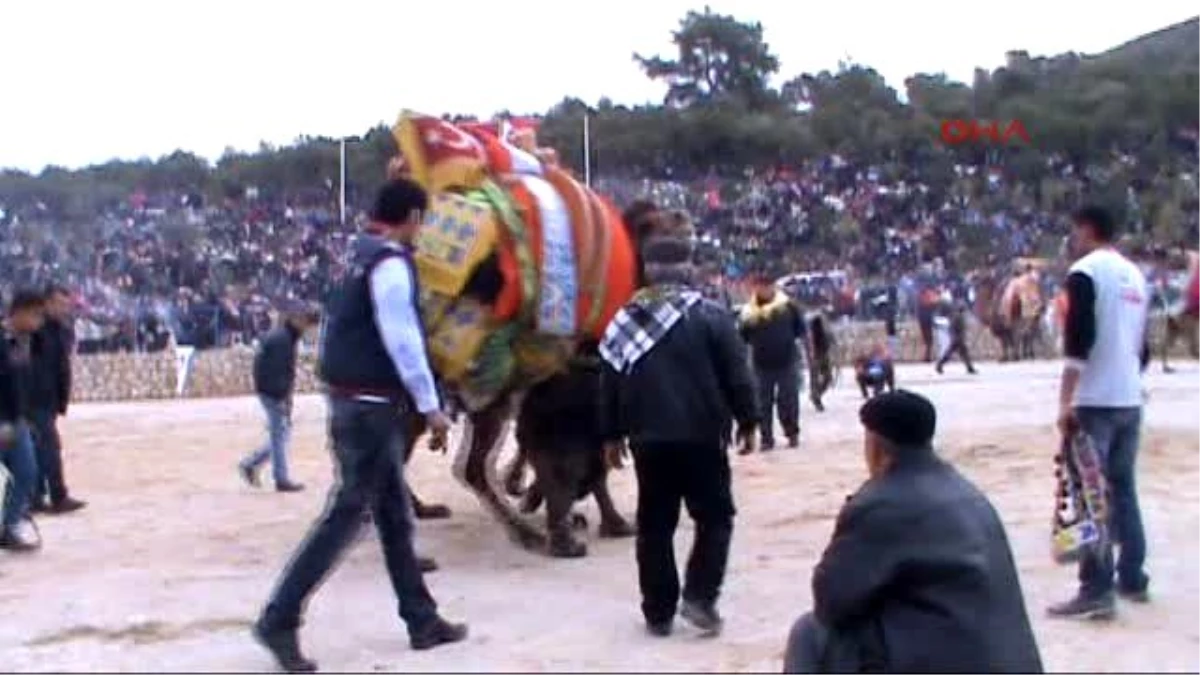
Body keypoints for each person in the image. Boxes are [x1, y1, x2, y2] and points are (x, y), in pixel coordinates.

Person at [252, 178, 467, 672]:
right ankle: (278, 619)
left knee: (393, 516)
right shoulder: (390, 263)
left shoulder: (356, 255)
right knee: (346, 518)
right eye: (423, 220)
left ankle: (422, 618)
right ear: (412, 217)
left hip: (353, 402)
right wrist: (430, 404)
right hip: (371, 407)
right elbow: (402, 337)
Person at [783, 390, 1042, 673]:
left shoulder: (880, 503)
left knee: (809, 633)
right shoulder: (967, 491)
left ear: (875, 445)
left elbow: (831, 600)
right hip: (1007, 659)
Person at [598, 211, 758, 639]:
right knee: (715, 518)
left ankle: (657, 612)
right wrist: (749, 419)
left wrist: (611, 434)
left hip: (648, 441)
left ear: (648, 272)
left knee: (654, 525)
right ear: (688, 269)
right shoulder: (710, 314)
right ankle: (700, 597)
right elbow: (736, 372)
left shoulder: (624, 320)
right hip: (703, 436)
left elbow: (609, 381)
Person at [1049, 205, 1152, 620]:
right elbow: (1142, 347)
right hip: (1130, 398)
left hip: (1094, 401)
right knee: (1123, 488)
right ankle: (1132, 576)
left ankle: (1095, 587)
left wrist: (1065, 400)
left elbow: (1079, 340)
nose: (1071, 239)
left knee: (1090, 496)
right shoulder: (1136, 276)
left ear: (1086, 229)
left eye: (1074, 231)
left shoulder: (1086, 272)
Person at [238, 305, 318, 493]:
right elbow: (277, 371)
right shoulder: (283, 340)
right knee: (280, 435)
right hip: (272, 393)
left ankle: (252, 464)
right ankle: (279, 478)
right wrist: (282, 397)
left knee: (281, 435)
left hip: (270, 392)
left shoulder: (284, 337)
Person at [30, 283, 85, 514]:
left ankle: (37, 497)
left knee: (41, 448)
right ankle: (56, 496)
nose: (64, 308)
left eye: (66, 304)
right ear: (47, 303)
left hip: (50, 398)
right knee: (48, 448)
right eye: (59, 304)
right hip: (35, 398)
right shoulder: (36, 330)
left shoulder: (60, 329)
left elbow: (61, 367)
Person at [1, 289, 48, 551]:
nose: (38, 322)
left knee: (27, 472)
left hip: (18, 421)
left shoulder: (29, 341)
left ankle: (8, 526)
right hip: (2, 420)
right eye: (35, 315)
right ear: (19, 312)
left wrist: (25, 417)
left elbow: (23, 384)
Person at [739, 277, 806, 451]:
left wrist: (806, 353)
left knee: (788, 400)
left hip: (787, 360)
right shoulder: (749, 312)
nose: (763, 289)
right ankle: (766, 438)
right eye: (759, 286)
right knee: (762, 403)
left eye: (767, 286)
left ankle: (792, 433)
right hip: (761, 364)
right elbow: (742, 337)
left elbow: (800, 331)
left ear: (773, 287)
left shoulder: (788, 306)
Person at [935, 301, 978, 375]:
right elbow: (955, 328)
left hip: (957, 338)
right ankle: (939, 365)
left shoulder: (957, 316)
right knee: (952, 354)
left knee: (963, 354)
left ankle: (969, 368)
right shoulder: (958, 317)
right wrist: (959, 337)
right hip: (958, 339)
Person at [806, 310, 834, 412]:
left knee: (828, 377)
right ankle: (816, 398)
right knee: (815, 378)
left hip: (824, 352)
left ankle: (816, 394)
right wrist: (812, 352)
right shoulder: (814, 321)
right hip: (816, 354)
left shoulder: (825, 322)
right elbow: (810, 338)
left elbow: (829, 337)